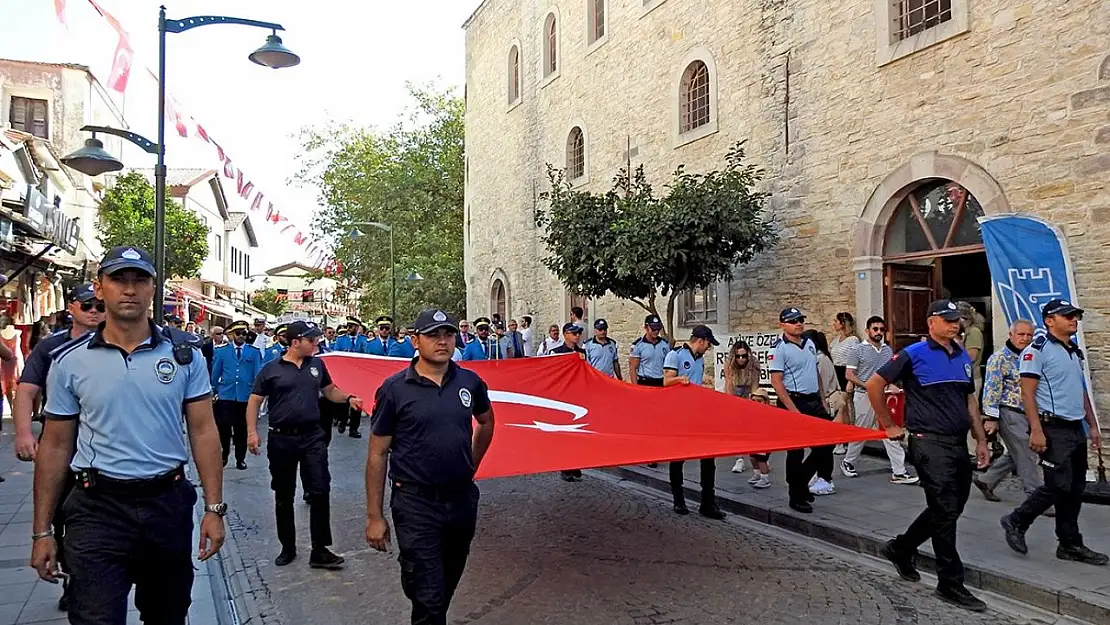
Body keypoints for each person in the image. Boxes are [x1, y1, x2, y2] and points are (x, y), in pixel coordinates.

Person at [31, 245, 227, 624]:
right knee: (94, 617)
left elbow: (204, 431)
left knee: (167, 615)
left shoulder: (184, 355)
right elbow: (54, 446)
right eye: (119, 279)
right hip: (97, 508)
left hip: (166, 504)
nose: (130, 289)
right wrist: (42, 532)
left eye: (140, 280)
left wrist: (214, 509)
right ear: (100, 287)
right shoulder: (70, 362)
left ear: (154, 289)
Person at [365, 308, 496, 625]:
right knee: (429, 593)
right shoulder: (395, 389)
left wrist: (471, 465)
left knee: (447, 577)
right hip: (415, 502)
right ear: (415, 341)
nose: (442, 342)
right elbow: (378, 453)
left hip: (461, 499)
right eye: (433, 335)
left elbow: (486, 421)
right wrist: (374, 516)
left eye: (448, 334)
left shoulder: (470, 382)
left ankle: (425, 599)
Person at [866, 299, 991, 612]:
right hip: (927, 443)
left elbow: (969, 400)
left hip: (957, 443)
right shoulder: (913, 354)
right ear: (931, 322)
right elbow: (874, 384)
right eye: (948, 320)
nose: (955, 325)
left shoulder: (961, 354)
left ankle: (901, 547)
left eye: (958, 320)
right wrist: (889, 424)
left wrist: (980, 439)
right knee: (945, 509)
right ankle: (950, 582)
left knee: (950, 508)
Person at [11, 284, 102, 609]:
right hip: (59, 444)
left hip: (100, 449)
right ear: (72, 308)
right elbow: (26, 390)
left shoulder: (117, 342)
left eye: (99, 306)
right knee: (61, 516)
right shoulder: (52, 347)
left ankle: (91, 578)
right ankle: (72, 576)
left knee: (91, 519)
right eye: (88, 305)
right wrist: (24, 433)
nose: (94, 312)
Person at [247, 320, 362, 569]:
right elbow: (255, 401)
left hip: (312, 437)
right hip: (281, 439)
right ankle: (287, 547)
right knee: (284, 494)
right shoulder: (271, 369)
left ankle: (320, 549)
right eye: (311, 340)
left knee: (320, 490)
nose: (316, 343)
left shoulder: (317, 365)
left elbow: (330, 391)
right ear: (295, 342)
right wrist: (251, 432)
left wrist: (349, 398)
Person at [1000, 300, 1107, 566]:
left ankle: (1070, 543)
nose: (1074, 320)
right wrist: (1036, 430)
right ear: (1049, 320)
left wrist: (1092, 424)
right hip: (1052, 426)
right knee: (1057, 485)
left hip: (1074, 426)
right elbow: (1027, 393)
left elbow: (1078, 389)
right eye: (1068, 316)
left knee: (1075, 487)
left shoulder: (1073, 350)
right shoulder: (1037, 350)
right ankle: (1016, 520)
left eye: (1076, 316)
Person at [768, 307, 830, 513]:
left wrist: (822, 398)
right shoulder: (779, 348)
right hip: (793, 400)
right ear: (783, 325)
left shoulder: (809, 343)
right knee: (796, 450)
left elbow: (816, 372)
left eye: (801, 320)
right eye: (793, 321)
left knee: (826, 444)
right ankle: (796, 495)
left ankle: (800, 482)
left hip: (813, 400)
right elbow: (777, 382)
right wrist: (792, 410)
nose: (799, 324)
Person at [842, 316, 918, 484]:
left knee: (889, 429)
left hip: (885, 396)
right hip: (863, 395)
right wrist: (869, 386)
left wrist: (891, 385)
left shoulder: (887, 351)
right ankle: (848, 461)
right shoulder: (857, 350)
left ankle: (899, 471)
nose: (878, 332)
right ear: (867, 330)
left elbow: (889, 374)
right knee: (862, 430)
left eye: (881, 329)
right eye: (875, 329)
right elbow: (849, 375)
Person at [974, 320, 1044, 502]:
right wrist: (991, 417)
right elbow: (991, 389)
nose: (1025, 339)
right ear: (1011, 335)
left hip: (1029, 412)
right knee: (1027, 453)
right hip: (1009, 411)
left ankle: (987, 480)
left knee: (1016, 452)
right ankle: (1035, 498)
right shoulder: (999, 359)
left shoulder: (1033, 356)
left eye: (1029, 335)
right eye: (1021, 334)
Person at [663, 326, 725, 520]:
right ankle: (678, 499)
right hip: (679, 414)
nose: (708, 348)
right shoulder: (676, 355)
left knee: (708, 458)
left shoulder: (699, 359)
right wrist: (681, 379)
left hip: (698, 413)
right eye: (708, 344)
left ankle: (707, 501)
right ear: (701, 341)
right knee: (678, 458)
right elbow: (666, 381)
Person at [211, 320, 263, 470]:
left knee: (241, 430)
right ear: (232, 335)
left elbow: (257, 374)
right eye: (238, 333)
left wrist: (256, 394)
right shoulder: (222, 351)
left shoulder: (253, 352)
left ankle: (240, 458)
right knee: (224, 428)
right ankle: (224, 454)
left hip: (244, 396)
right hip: (226, 395)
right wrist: (214, 390)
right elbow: (215, 374)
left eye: (244, 333)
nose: (241, 336)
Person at [801, 329, 841, 496]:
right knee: (820, 445)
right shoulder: (815, 360)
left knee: (824, 446)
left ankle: (826, 478)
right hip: (819, 406)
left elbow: (822, 386)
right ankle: (820, 476)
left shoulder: (822, 360)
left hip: (826, 406)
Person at [724, 340, 768, 484]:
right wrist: (731, 405)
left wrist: (754, 403)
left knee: (751, 429)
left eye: (744, 356)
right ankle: (739, 459)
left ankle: (760, 460)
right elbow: (729, 383)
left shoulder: (754, 363)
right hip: (735, 390)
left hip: (749, 391)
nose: (741, 359)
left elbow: (755, 385)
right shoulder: (729, 363)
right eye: (738, 356)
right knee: (737, 429)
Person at [551, 323, 588, 482]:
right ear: (565, 334)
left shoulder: (582, 352)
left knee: (578, 433)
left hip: (578, 396)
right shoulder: (556, 352)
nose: (577, 336)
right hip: (562, 397)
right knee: (564, 434)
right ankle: (566, 467)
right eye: (573, 333)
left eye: (578, 333)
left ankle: (576, 463)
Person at [629, 315, 670, 387]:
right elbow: (633, 368)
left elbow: (668, 366)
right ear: (646, 328)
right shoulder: (638, 345)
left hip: (660, 382)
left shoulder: (664, 344)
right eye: (653, 329)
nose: (656, 331)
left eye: (658, 329)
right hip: (645, 382)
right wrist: (636, 387)